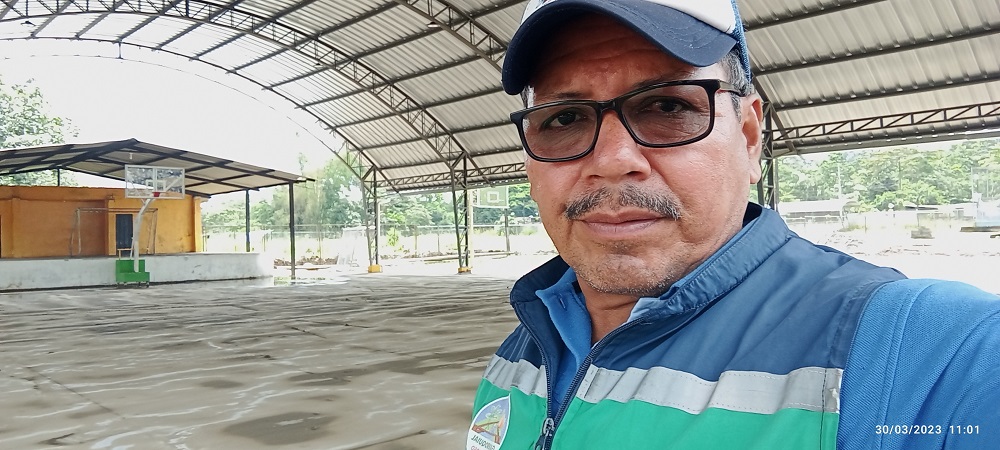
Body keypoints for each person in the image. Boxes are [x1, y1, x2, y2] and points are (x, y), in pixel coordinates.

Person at [466, 1, 1000, 449]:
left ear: (748, 137)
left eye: (666, 106)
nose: (611, 160)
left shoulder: (937, 352)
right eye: (563, 118)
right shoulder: (525, 347)